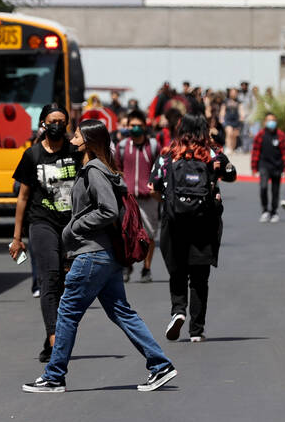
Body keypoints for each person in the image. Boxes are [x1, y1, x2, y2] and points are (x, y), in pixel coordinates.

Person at [22, 120, 178, 393]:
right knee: (122, 312)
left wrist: (73, 227)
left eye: (79, 134)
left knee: (67, 313)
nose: (73, 137)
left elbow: (107, 210)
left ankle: (54, 375)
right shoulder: (101, 168)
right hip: (105, 256)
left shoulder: (94, 170)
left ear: (90, 140)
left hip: (92, 255)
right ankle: (160, 365)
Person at [153, 114, 237, 343]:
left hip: (174, 221)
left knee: (177, 270)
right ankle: (196, 330)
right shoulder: (213, 154)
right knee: (200, 277)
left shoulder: (168, 154)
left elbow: (153, 185)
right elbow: (232, 174)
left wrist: (172, 202)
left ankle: (178, 310)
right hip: (204, 222)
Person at [9, 104, 82, 363]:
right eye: (53, 121)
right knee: (49, 279)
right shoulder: (32, 155)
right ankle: (55, 339)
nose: (57, 125)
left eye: (62, 121)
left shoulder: (76, 153)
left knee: (65, 286)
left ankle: (51, 337)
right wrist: (17, 238)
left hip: (72, 226)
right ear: (43, 123)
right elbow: (23, 198)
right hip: (42, 223)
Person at [116, 109, 159, 283]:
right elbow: (116, 169)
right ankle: (127, 265)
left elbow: (160, 169)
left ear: (145, 126)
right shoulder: (122, 146)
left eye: (138, 126)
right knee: (126, 235)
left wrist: (155, 188)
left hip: (148, 198)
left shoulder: (154, 146)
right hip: (128, 199)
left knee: (148, 236)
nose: (135, 129)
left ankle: (146, 269)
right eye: (132, 126)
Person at [251, 112, 285, 223]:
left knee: (275, 190)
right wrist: (254, 168)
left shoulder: (281, 136)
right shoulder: (260, 135)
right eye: (269, 120)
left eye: (273, 120)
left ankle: (274, 212)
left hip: (277, 166)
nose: (271, 123)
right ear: (265, 122)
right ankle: (265, 210)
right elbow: (255, 152)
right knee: (263, 187)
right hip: (264, 166)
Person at [222, 88, 243, 153]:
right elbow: (222, 110)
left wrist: (242, 117)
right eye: (232, 92)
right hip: (227, 120)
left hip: (236, 120)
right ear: (230, 93)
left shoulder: (238, 102)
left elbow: (241, 110)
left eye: (235, 92)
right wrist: (221, 118)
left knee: (234, 135)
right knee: (229, 133)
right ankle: (228, 148)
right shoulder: (226, 101)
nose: (233, 94)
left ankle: (232, 149)